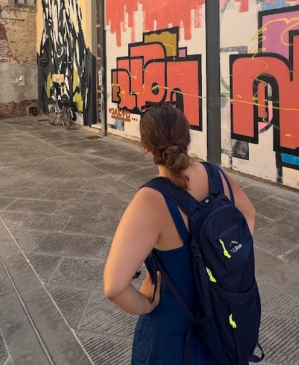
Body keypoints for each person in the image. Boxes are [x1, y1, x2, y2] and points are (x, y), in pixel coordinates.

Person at [103, 102, 256, 365]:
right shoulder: (216, 176)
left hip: (173, 335)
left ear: (146, 146)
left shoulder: (151, 200)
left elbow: (114, 287)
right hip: (222, 323)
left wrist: (146, 304)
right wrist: (227, 260)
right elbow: (249, 215)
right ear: (187, 136)